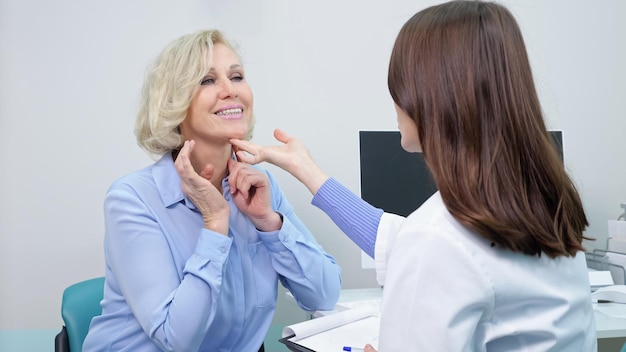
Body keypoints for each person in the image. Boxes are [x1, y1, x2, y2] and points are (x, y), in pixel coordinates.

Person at [230, 1, 597, 351]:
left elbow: (425, 245)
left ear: (429, 94)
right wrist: (306, 169)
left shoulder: (437, 237)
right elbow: (398, 238)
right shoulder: (546, 207)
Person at [82, 29, 342, 352]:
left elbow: (325, 294)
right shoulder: (132, 200)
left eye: (236, 77)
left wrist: (269, 223)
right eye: (207, 81)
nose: (230, 91)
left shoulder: (260, 187)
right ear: (174, 104)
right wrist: (216, 223)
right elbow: (176, 339)